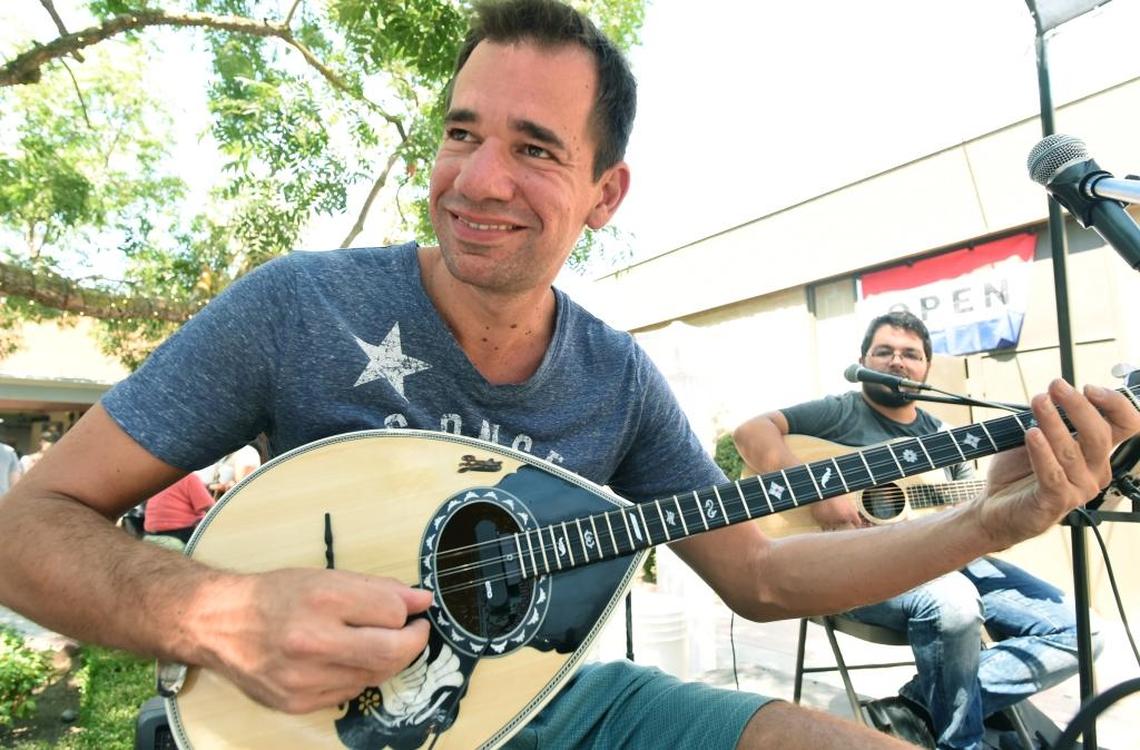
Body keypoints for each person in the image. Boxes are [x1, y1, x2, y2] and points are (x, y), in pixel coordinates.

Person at [0, 2, 1135, 749]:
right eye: (461, 133)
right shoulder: (300, 304)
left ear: (605, 195)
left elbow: (762, 580)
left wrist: (995, 520)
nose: (476, 177)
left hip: (549, 701)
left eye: (536, 149)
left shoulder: (620, 379)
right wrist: (218, 614)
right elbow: (26, 528)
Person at [733, 310, 1100, 750]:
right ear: (864, 360)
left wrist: (1035, 496)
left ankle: (916, 708)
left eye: (910, 354)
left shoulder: (942, 434)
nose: (897, 362)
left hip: (951, 560)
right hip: (850, 566)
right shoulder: (841, 413)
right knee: (954, 603)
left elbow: (980, 503)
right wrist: (819, 493)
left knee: (1084, 633)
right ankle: (962, 743)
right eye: (883, 351)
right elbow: (750, 432)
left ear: (926, 367)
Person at [142, 472, 217, 546]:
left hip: (150, 535)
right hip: (179, 535)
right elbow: (211, 508)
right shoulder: (189, 477)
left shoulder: (159, 478)